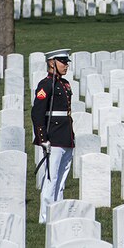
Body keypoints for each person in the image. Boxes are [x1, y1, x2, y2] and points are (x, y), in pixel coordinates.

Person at [31, 48, 74, 223]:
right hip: (53, 138)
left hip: (66, 136)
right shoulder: (46, 85)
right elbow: (37, 113)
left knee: (61, 179)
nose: (66, 65)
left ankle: (58, 213)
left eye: (66, 62)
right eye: (62, 62)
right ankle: (45, 217)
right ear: (51, 63)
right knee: (51, 179)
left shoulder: (65, 84)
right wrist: (43, 139)